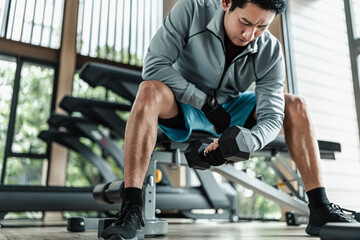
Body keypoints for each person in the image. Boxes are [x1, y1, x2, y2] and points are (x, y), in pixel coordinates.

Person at [100, 0, 358, 239]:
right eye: (245, 22)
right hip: (182, 102)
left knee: (296, 104)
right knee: (149, 89)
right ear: (226, 2)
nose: (249, 35)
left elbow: (272, 114)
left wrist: (248, 140)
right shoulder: (192, 9)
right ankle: (131, 207)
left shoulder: (270, 50)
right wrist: (204, 102)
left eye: (261, 26)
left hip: (233, 108)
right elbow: (155, 65)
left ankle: (320, 207)